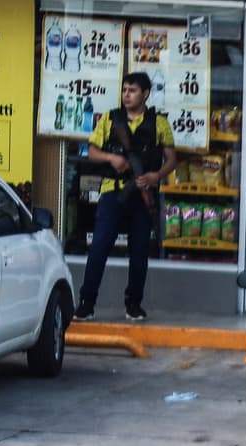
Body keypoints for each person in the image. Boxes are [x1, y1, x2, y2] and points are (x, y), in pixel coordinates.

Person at [75, 72, 177, 322]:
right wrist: (112, 158)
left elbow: (172, 159)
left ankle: (134, 304)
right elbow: (92, 152)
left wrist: (155, 175)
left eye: (132, 90)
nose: (126, 95)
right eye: (124, 90)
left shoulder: (159, 123)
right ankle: (86, 303)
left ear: (146, 94)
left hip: (143, 194)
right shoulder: (111, 119)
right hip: (113, 191)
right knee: (99, 247)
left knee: (139, 250)